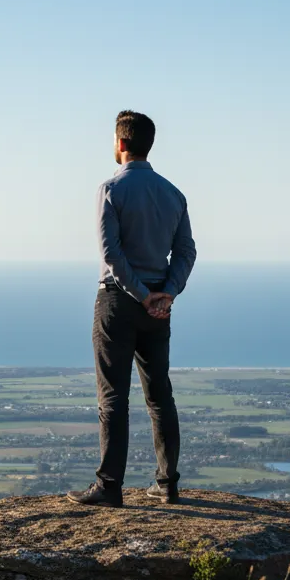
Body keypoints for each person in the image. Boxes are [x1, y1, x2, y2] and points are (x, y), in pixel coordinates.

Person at [68, 110, 196, 508]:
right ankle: (168, 484)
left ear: (121, 143)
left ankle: (109, 487)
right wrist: (166, 294)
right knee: (160, 395)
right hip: (158, 308)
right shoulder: (174, 194)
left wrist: (141, 294)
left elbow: (112, 255)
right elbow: (186, 251)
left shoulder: (110, 190)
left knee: (113, 397)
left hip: (119, 303)